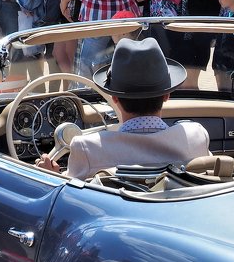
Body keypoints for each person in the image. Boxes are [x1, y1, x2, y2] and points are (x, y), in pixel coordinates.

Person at [35, 37, 211, 179]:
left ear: (114, 97)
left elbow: (71, 201)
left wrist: (50, 176)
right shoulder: (196, 136)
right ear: (167, 95)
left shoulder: (87, 148)